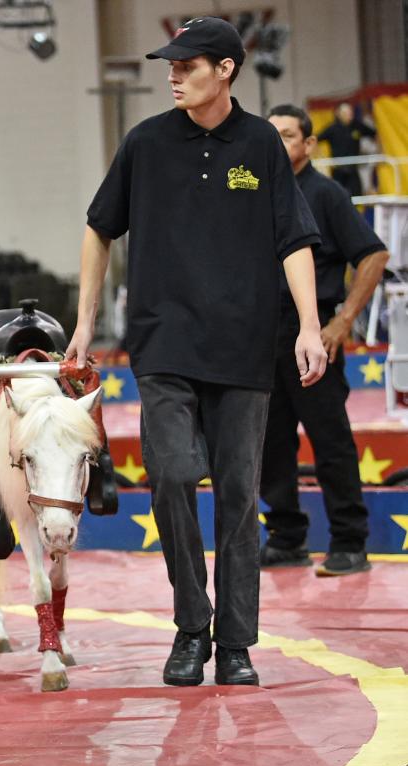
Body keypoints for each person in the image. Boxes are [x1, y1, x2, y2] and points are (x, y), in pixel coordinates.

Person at [67, 17, 326, 688]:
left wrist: (307, 324)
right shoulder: (146, 142)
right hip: (163, 344)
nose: (174, 73)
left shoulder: (263, 143)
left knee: (239, 495)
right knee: (175, 475)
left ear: (227, 69)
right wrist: (84, 322)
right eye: (171, 64)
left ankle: (235, 642)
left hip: (245, 349)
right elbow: (99, 228)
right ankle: (191, 625)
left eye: (188, 64)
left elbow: (293, 239)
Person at [260, 104, 389, 577]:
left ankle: (350, 543)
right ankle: (287, 538)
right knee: (270, 444)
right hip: (260, 336)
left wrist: (343, 321)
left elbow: (374, 254)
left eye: (289, 135)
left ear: (309, 145)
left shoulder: (327, 194)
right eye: (271, 134)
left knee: (330, 441)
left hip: (314, 332)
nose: (279, 143)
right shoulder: (255, 193)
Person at [317, 102, 377, 198]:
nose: (349, 115)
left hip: (353, 169)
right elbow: (315, 139)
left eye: (350, 113)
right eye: (346, 113)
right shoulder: (332, 128)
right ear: (339, 114)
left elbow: (374, 133)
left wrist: (380, 150)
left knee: (357, 196)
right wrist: (320, 156)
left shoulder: (357, 126)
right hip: (338, 169)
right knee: (336, 197)